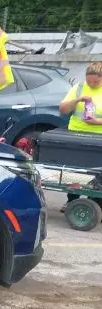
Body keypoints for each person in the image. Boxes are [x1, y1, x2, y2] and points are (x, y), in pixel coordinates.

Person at [58, 62, 102, 210]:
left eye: (96, 81)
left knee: (97, 171)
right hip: (76, 134)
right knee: (74, 170)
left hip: (98, 137)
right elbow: (63, 109)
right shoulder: (79, 88)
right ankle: (72, 199)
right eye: (89, 81)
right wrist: (77, 100)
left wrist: (96, 122)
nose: (92, 84)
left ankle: (95, 202)